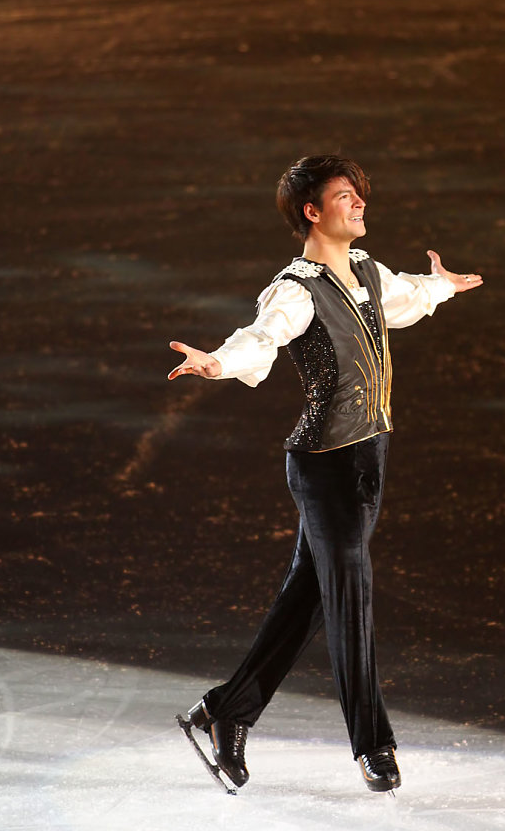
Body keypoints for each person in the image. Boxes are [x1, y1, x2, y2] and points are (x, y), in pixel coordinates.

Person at [168, 154, 482, 793]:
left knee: (309, 598)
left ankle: (225, 711)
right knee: (351, 597)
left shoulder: (365, 271)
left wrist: (441, 285)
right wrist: (217, 364)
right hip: (326, 467)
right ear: (313, 212)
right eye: (346, 197)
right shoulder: (295, 288)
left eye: (359, 196)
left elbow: (405, 299)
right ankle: (374, 744)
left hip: (369, 457)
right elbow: (262, 337)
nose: (360, 204)